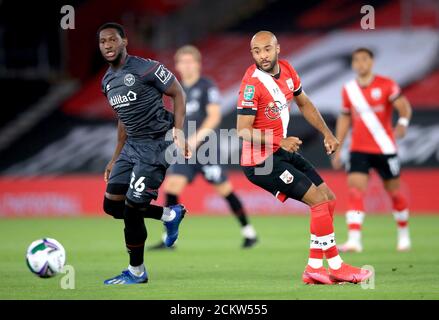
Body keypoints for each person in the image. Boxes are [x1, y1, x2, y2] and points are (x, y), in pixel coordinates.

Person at [236, 31, 372, 284]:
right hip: (260, 162)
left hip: (279, 152)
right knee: (318, 202)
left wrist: (328, 134)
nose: (263, 56)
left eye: (267, 49)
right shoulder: (251, 84)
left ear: (278, 48)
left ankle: (313, 268)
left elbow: (305, 103)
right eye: (257, 51)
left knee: (329, 199)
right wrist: (280, 141)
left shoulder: (287, 69)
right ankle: (336, 266)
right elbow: (243, 129)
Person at [98, 22, 191, 285]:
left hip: (157, 144)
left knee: (132, 209)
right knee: (112, 205)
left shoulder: (145, 67)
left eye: (112, 40)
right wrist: (115, 157)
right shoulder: (107, 81)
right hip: (131, 147)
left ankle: (137, 272)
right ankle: (168, 215)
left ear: (124, 41)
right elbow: (123, 119)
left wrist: (179, 130)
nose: (108, 45)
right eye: (103, 42)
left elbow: (178, 93)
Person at [150, 45, 258, 250]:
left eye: (191, 61)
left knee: (224, 189)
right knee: (172, 187)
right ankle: (169, 238)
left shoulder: (206, 86)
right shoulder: (177, 89)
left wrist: (195, 140)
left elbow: (214, 116)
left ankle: (249, 233)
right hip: (185, 149)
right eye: (183, 61)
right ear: (178, 65)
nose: (188, 65)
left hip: (206, 148)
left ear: (198, 64)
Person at [331, 48, 412, 252]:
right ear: (352, 64)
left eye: (364, 59)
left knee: (394, 192)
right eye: (356, 60)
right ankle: (354, 240)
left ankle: (403, 234)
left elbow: (404, 106)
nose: (360, 63)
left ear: (372, 62)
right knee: (355, 191)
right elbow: (344, 117)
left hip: (385, 148)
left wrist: (402, 123)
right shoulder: (349, 89)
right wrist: (338, 148)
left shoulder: (387, 84)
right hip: (359, 149)